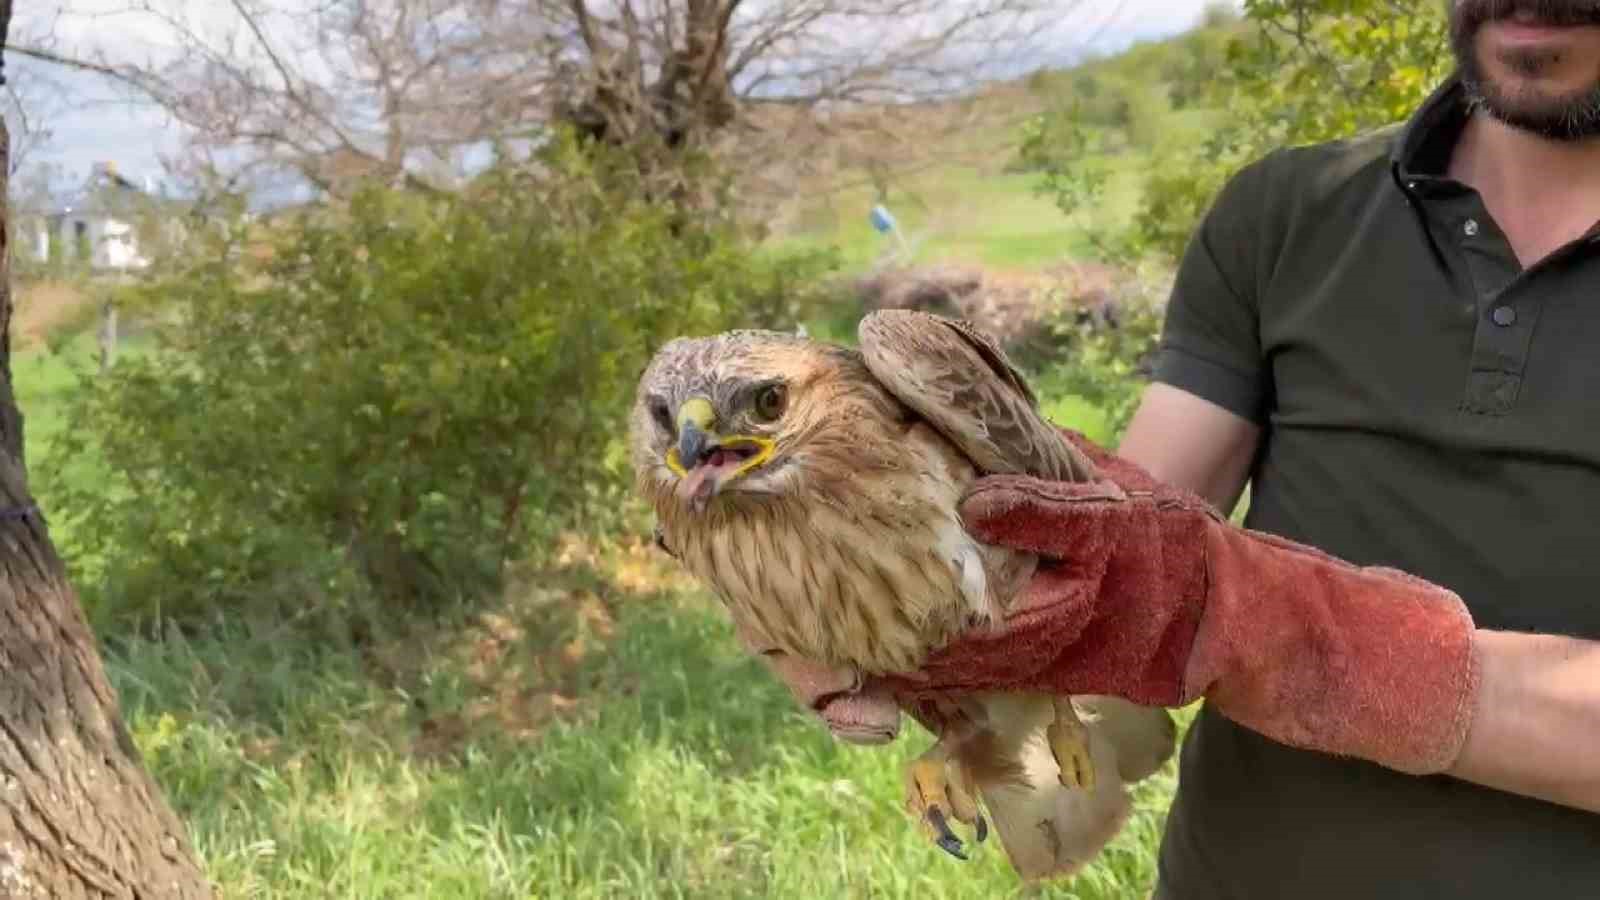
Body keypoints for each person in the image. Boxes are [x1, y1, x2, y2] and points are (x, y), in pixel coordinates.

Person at [758, 0, 1600, 895]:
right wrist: (855, 550)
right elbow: (1111, 546)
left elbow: (1193, 605)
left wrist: (1258, 626)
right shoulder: (1293, 211)